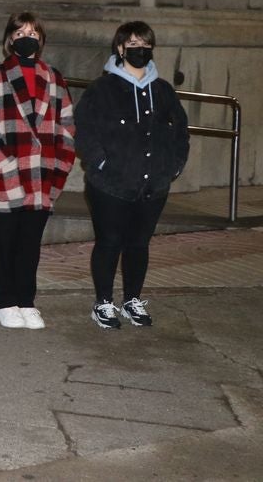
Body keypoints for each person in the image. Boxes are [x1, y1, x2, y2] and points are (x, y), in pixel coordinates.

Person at [74, 21, 189, 330]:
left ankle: (132, 299)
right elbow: (84, 131)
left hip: (153, 186)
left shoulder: (162, 90)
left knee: (139, 244)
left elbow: (180, 131)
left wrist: (173, 167)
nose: (141, 49)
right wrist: (100, 164)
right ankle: (103, 302)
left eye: (146, 43)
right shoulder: (102, 89)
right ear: (121, 48)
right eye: (134, 43)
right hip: (110, 186)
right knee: (109, 242)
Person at [0, 12, 76, 330]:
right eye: (20, 32)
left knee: (30, 246)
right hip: (6, 176)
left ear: (41, 39)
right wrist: (4, 165)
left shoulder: (54, 77)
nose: (26, 37)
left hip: (42, 178)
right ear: (10, 40)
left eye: (32, 32)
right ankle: (5, 303)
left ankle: (26, 301)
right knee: (4, 245)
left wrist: (60, 165)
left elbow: (67, 126)